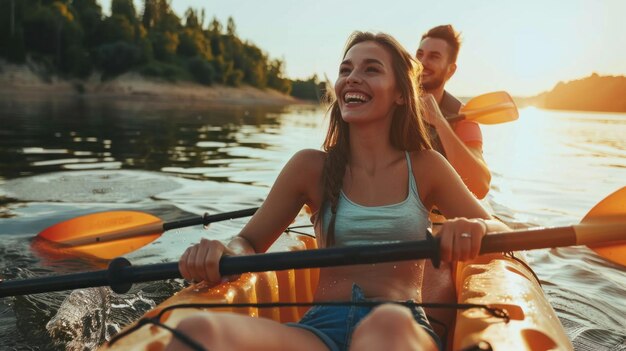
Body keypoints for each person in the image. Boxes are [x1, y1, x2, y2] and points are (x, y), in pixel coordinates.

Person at [166, 31, 509, 351]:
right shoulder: (309, 167)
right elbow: (250, 243)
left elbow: (501, 231)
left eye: (371, 69)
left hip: (399, 326)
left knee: (385, 323)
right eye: (346, 69)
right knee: (194, 331)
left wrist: (477, 228)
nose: (353, 77)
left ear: (402, 94)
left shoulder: (426, 166)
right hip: (320, 330)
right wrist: (225, 252)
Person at [416, 25, 491, 199]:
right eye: (419, 54)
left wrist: (440, 122)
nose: (422, 62)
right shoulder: (390, 102)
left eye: (434, 57)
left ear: (450, 70)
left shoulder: (463, 117)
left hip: (440, 213)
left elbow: (480, 187)